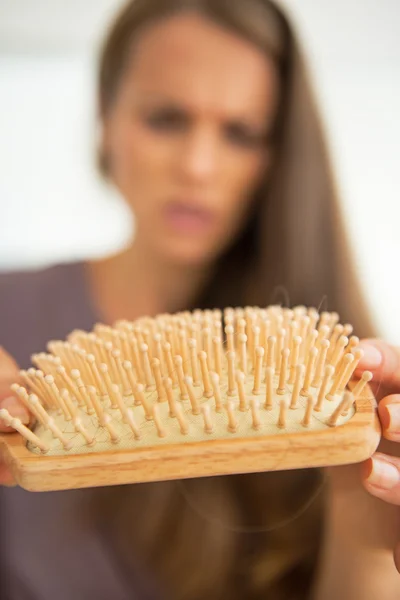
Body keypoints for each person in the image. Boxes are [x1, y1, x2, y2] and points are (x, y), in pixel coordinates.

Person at [0, 1, 399, 598]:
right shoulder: (9, 316)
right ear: (106, 118)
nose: (198, 166)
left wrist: (370, 520)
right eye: (166, 119)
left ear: (276, 157)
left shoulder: (331, 375)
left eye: (240, 132)